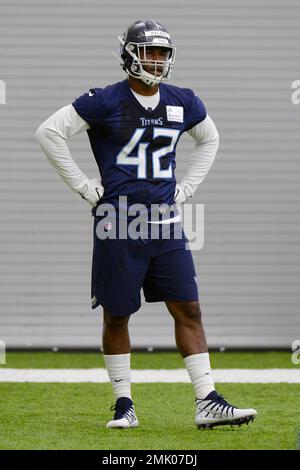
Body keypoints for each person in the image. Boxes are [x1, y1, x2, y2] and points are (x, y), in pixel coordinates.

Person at [35, 19, 257, 429]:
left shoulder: (183, 100)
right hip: (118, 222)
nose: (156, 61)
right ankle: (124, 404)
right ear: (129, 54)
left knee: (188, 307)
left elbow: (210, 139)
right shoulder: (104, 100)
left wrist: (187, 187)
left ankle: (207, 400)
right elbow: (49, 132)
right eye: (149, 52)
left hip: (166, 221)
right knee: (118, 314)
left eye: (162, 53)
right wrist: (85, 187)